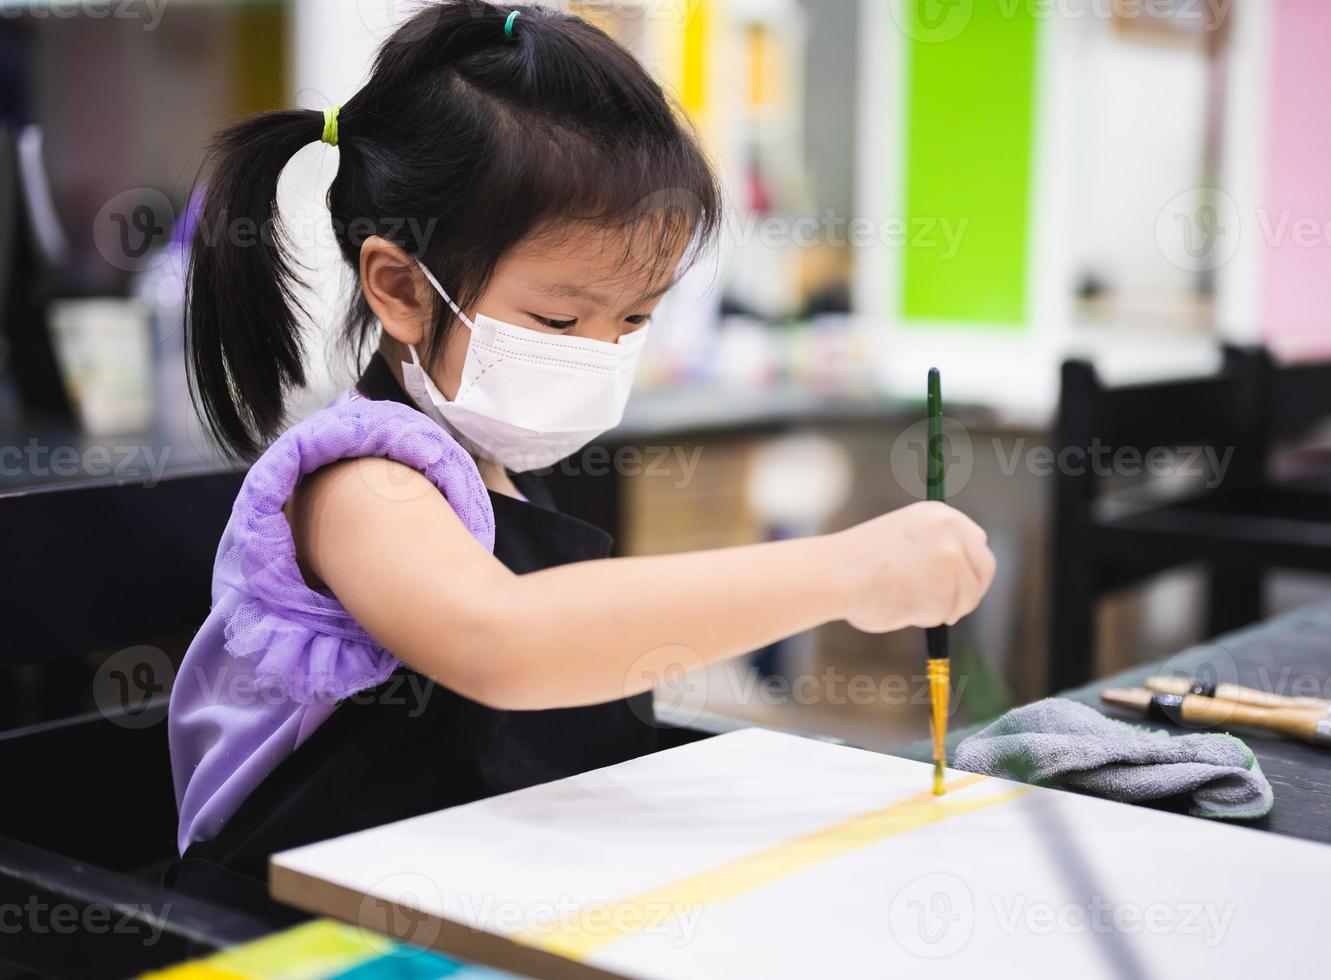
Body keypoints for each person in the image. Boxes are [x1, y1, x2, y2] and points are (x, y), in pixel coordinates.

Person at [168, 1, 994, 909]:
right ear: (401, 289)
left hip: (474, 891)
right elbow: (505, 641)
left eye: (634, 319)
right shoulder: (360, 479)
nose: (599, 351)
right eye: (559, 320)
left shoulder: (491, 459)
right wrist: (847, 571)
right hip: (288, 930)